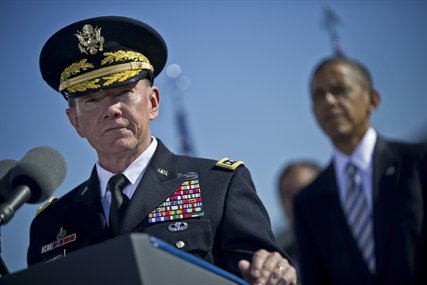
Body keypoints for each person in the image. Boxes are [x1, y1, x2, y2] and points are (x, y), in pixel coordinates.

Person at [26, 16, 297, 285]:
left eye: (122, 92)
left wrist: (277, 277)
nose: (111, 110)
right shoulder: (50, 226)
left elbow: (266, 275)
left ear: (153, 102)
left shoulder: (219, 186)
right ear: (75, 122)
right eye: (92, 100)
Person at [293, 56, 426, 285]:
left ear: (373, 99)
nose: (329, 101)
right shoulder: (308, 202)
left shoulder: (416, 162)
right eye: (318, 95)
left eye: (340, 90)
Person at [275, 161, 320, 266]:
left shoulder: (353, 242)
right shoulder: (282, 262)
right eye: (287, 193)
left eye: (302, 190)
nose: (295, 200)